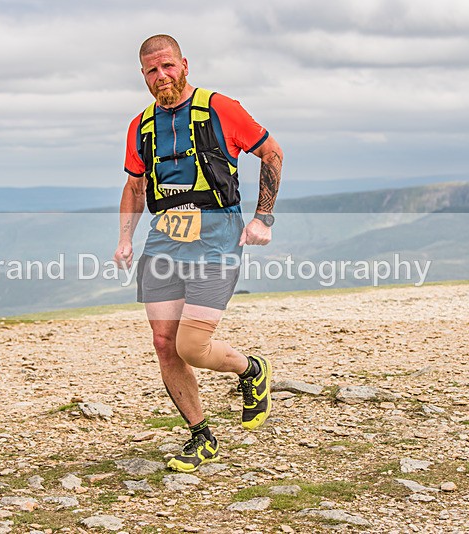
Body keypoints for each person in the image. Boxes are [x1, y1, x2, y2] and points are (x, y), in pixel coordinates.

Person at [114, 34, 283, 473]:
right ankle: (200, 436)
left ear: (184, 64)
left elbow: (271, 152)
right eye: (152, 70)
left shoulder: (220, 107)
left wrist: (263, 217)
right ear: (144, 76)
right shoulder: (141, 125)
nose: (161, 76)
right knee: (164, 344)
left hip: (216, 234)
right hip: (164, 237)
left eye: (167, 66)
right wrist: (125, 239)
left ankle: (250, 369)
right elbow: (135, 186)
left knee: (192, 344)